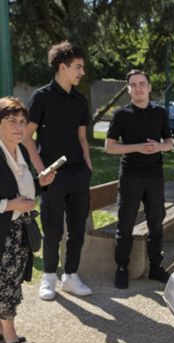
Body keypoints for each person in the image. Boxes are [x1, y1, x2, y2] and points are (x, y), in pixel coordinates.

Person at [22, 40, 93, 301]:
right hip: (52, 175)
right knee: (52, 228)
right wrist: (41, 170)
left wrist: (88, 166)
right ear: (62, 67)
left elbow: (82, 137)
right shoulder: (41, 97)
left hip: (78, 173)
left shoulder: (80, 100)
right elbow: (27, 137)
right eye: (77, 67)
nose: (81, 72)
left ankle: (70, 276)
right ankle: (49, 277)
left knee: (76, 228)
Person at [105, 69, 173, 289]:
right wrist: (138, 148)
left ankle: (156, 267)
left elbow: (169, 143)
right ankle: (121, 269)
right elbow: (109, 147)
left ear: (150, 87)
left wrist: (159, 147)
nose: (138, 88)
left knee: (156, 223)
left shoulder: (160, 113)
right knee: (125, 224)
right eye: (133, 85)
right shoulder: (121, 114)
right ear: (128, 89)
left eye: (142, 83)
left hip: (155, 176)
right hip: (130, 176)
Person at [0, 97, 55, 343]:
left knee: (12, 281)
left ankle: (2, 329)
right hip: (4, 231)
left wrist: (41, 181)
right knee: (6, 283)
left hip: (18, 229)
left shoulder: (18, 151)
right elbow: (12, 198)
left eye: (22, 122)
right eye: (12, 121)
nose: (20, 127)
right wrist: (9, 205)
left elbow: (20, 189)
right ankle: (10, 336)